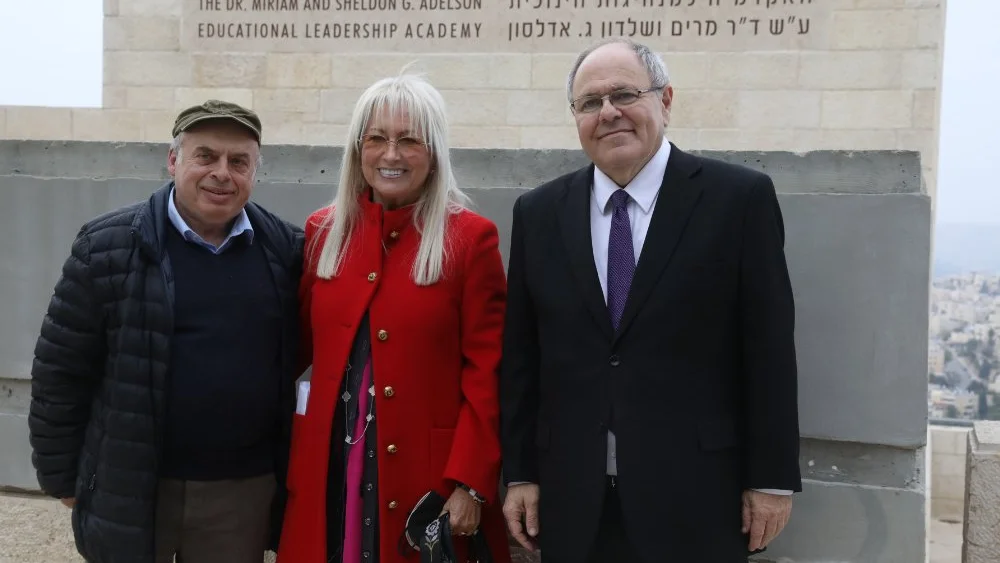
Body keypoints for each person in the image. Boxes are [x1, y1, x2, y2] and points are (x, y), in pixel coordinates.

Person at [499, 38, 802, 563]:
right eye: (590, 103)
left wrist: (772, 479)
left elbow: (769, 350)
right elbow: (523, 358)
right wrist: (520, 472)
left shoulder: (738, 200)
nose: (608, 113)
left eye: (624, 94)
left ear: (665, 100)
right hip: (573, 500)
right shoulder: (538, 213)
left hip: (698, 498)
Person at [27, 100, 304, 563]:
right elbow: (60, 370)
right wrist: (61, 476)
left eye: (239, 162)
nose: (221, 173)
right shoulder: (105, 247)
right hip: (133, 483)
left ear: (256, 172)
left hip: (240, 492)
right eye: (205, 156)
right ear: (173, 160)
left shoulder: (288, 251)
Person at [275, 73, 511, 563]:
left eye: (409, 140)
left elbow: (487, 372)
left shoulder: (471, 239)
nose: (391, 155)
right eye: (377, 138)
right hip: (328, 470)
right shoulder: (323, 231)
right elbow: (289, 350)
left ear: (434, 152)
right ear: (357, 148)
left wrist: (470, 481)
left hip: (429, 479)